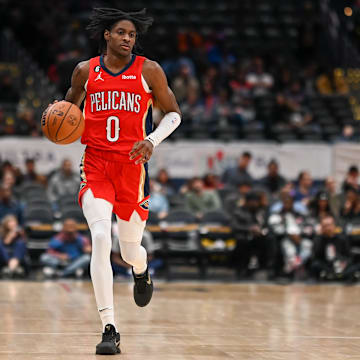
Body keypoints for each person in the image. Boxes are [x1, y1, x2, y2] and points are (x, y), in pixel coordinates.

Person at [46, 8, 181, 354]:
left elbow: (174, 114)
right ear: (107, 35)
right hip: (96, 165)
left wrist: (151, 140)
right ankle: (110, 327)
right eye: (121, 33)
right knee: (101, 237)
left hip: (133, 168)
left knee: (130, 248)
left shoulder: (148, 70)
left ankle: (142, 269)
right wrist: (55, 117)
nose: (127, 39)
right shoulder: (85, 72)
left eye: (132, 35)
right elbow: (67, 111)